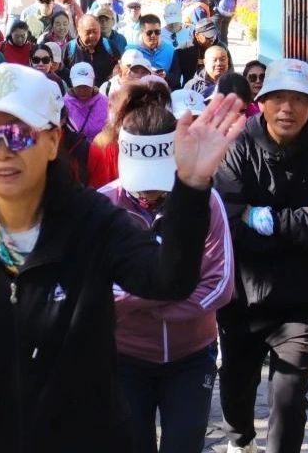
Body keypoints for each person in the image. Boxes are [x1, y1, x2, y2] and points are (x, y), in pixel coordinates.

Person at [0, 63, 247, 451]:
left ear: (53, 140)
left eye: (17, 134)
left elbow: (167, 279)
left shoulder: (94, 219)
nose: (1, 152)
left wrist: (192, 187)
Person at [214, 58, 308, 453]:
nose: (287, 109)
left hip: (300, 299)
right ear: (261, 102)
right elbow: (230, 224)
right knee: (237, 389)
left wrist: (263, 218)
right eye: (278, 99)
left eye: (298, 100)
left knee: (289, 397)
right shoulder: (238, 146)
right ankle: (240, 442)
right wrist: (301, 219)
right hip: (243, 297)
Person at [103, 97, 234, 453]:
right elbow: (94, 289)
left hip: (191, 357)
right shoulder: (103, 205)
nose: (148, 193)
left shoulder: (206, 202)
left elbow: (219, 285)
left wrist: (146, 303)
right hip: (124, 357)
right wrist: (164, 292)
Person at [64, 14, 118, 87]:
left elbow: (119, 67)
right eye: (88, 32)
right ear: (79, 31)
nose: (92, 35)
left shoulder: (109, 46)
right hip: (79, 95)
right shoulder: (70, 48)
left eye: (95, 31)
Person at [65, 61, 109, 143]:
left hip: (99, 151)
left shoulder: (106, 103)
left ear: (93, 82)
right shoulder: (63, 105)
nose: (82, 91)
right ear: (71, 83)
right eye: (78, 86)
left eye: (86, 86)